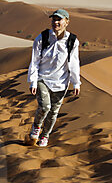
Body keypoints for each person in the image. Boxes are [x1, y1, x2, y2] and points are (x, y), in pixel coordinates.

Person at [27, 8, 81, 147]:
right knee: (45, 107)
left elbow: (74, 63)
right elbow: (34, 61)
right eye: (54, 19)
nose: (55, 22)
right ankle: (36, 126)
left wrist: (76, 83)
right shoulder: (43, 37)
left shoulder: (72, 41)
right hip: (43, 79)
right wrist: (33, 81)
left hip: (61, 82)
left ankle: (45, 136)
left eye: (59, 19)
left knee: (53, 112)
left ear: (66, 22)